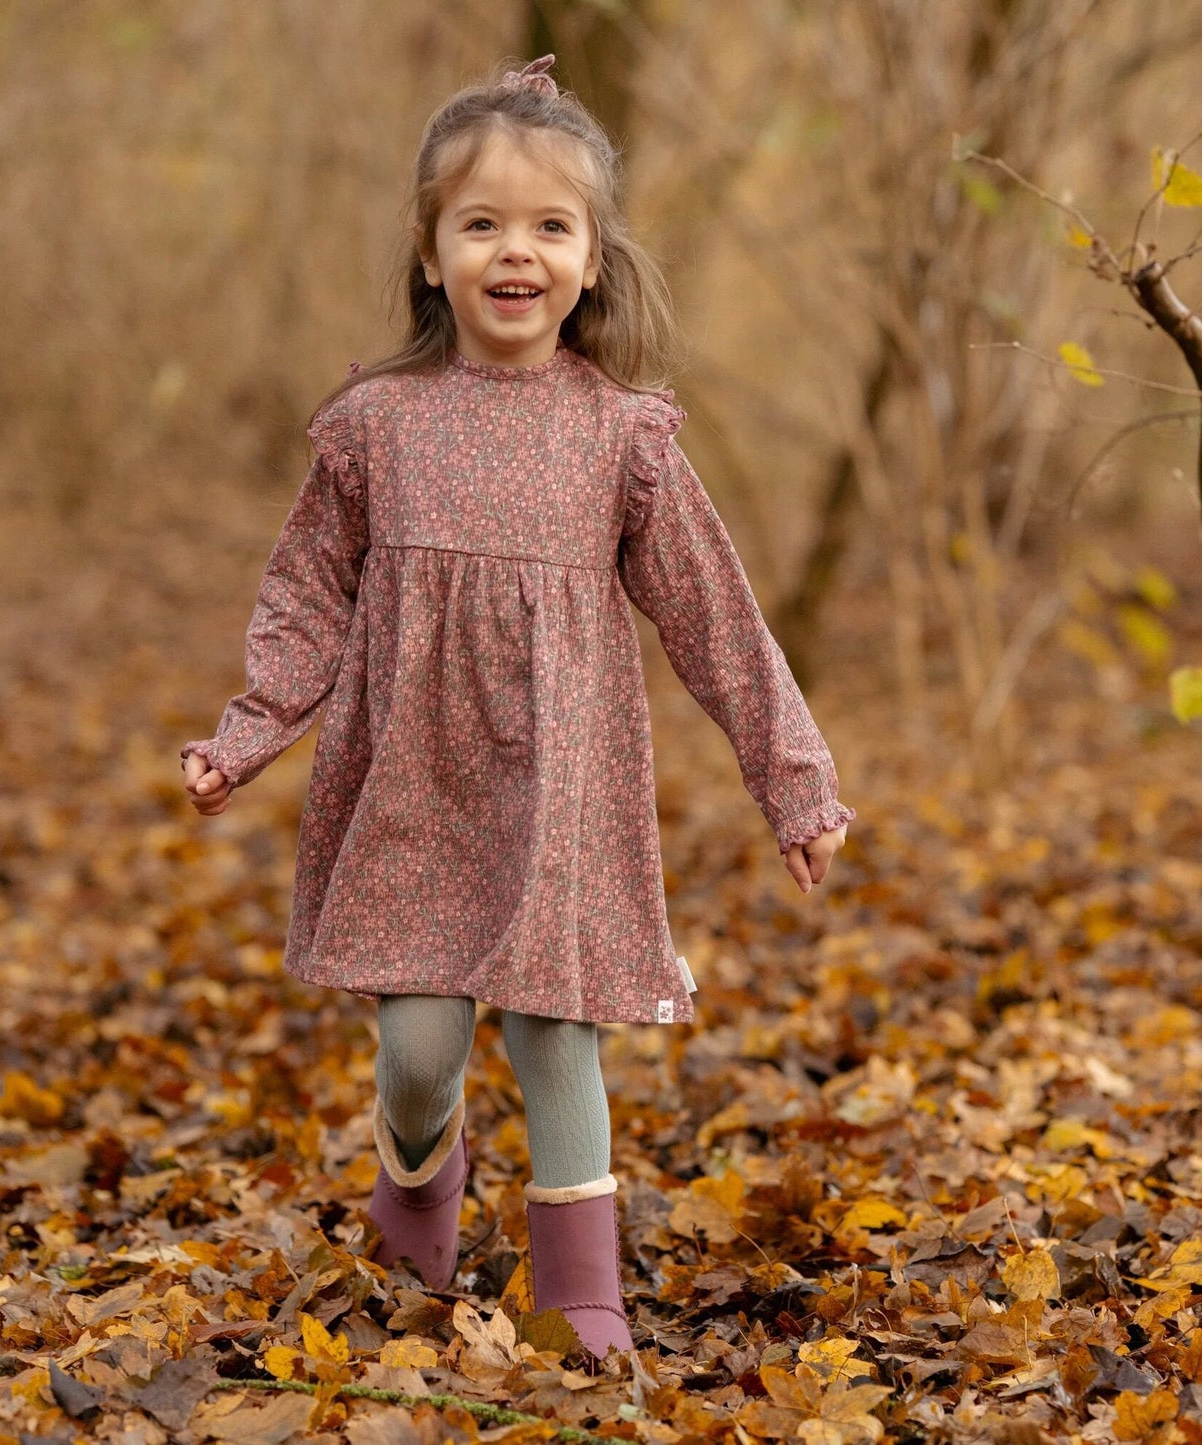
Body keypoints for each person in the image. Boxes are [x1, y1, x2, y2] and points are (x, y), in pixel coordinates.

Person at [182, 55, 853, 1358]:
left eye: (551, 225)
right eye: (481, 221)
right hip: (415, 781)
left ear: (593, 260)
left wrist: (794, 782)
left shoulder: (624, 439)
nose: (516, 250)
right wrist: (247, 731)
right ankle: (418, 1170)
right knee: (422, 1048)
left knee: (558, 1030)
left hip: (562, 788)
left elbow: (714, 618)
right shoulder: (375, 426)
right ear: (431, 256)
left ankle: (581, 1291)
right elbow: (307, 594)